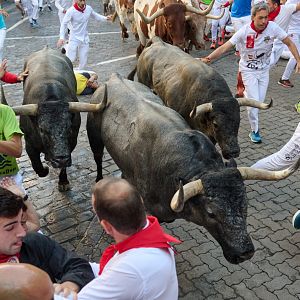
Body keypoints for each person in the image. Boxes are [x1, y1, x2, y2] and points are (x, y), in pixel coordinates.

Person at [200, 2, 300, 144]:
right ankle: (255, 131)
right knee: (254, 105)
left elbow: (289, 42)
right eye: (260, 18)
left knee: (259, 101)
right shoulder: (244, 32)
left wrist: (298, 60)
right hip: (248, 71)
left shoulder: (272, 27)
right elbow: (225, 47)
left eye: (266, 17)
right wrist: (208, 58)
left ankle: (245, 94)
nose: (264, 21)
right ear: (253, 17)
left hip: (264, 71)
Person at [72, 178, 180, 299]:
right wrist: (75, 271)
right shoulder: (149, 238)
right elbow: (109, 273)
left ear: (106, 226)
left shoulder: (130, 269)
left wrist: (48, 287)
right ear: (141, 201)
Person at [0, 187, 95, 297]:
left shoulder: (34, 242)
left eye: (22, 222)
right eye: (10, 228)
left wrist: (69, 286)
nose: (22, 232)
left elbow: (77, 265)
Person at [57, 0, 112, 69]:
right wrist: (61, 37)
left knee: (83, 62)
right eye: (81, 0)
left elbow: (95, 16)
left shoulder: (88, 8)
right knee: (71, 59)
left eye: (84, 0)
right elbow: (64, 24)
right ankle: (67, 49)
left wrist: (106, 18)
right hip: (74, 38)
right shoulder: (71, 11)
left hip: (85, 39)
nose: (83, 3)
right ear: (76, 1)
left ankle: (79, 75)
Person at [267, 0, 300, 68]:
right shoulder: (264, 13)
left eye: (268, 4)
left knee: (270, 64)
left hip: (279, 44)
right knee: (267, 64)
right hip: (267, 43)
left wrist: (298, 61)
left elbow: (298, 7)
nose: (266, 6)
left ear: (275, 5)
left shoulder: (286, 9)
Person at [278, 0, 300, 88]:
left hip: (297, 29)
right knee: (295, 55)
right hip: (292, 30)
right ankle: (284, 78)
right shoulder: (289, 4)